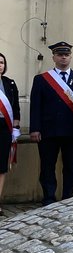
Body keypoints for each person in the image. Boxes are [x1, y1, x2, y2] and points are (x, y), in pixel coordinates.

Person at [29, 41, 73, 206]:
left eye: (66, 54)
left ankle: (68, 196)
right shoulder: (42, 79)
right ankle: (49, 197)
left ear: (70, 56)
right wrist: (34, 129)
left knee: (71, 166)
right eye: (60, 54)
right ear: (54, 57)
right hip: (48, 131)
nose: (63, 57)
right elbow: (35, 106)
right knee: (47, 166)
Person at [0, 52, 22, 214]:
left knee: (1, 166)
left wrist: (15, 128)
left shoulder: (10, 84)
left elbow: (15, 109)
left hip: (4, 128)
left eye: (1, 62)